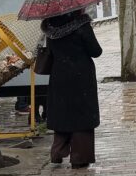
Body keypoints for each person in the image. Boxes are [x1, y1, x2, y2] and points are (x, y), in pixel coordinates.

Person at [42, 10, 102, 168]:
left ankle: (57, 152)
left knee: (62, 112)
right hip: (81, 77)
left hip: (59, 75)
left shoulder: (50, 27)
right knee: (82, 116)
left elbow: (51, 53)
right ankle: (79, 157)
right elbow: (96, 51)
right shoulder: (82, 25)